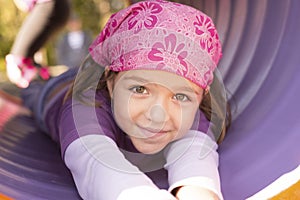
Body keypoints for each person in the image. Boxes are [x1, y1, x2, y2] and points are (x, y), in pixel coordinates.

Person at [20, 0, 231, 199]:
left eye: (180, 95)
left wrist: (197, 190)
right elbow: (97, 161)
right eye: (140, 89)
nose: (158, 114)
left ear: (202, 94)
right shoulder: (84, 108)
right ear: (111, 84)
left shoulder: (195, 107)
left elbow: (195, 156)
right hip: (57, 92)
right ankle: (31, 78)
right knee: (32, 91)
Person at [5, 0, 70, 88]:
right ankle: (53, 91)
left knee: (17, 63)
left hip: (46, 6)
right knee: (32, 67)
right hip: (58, 7)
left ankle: (43, 95)